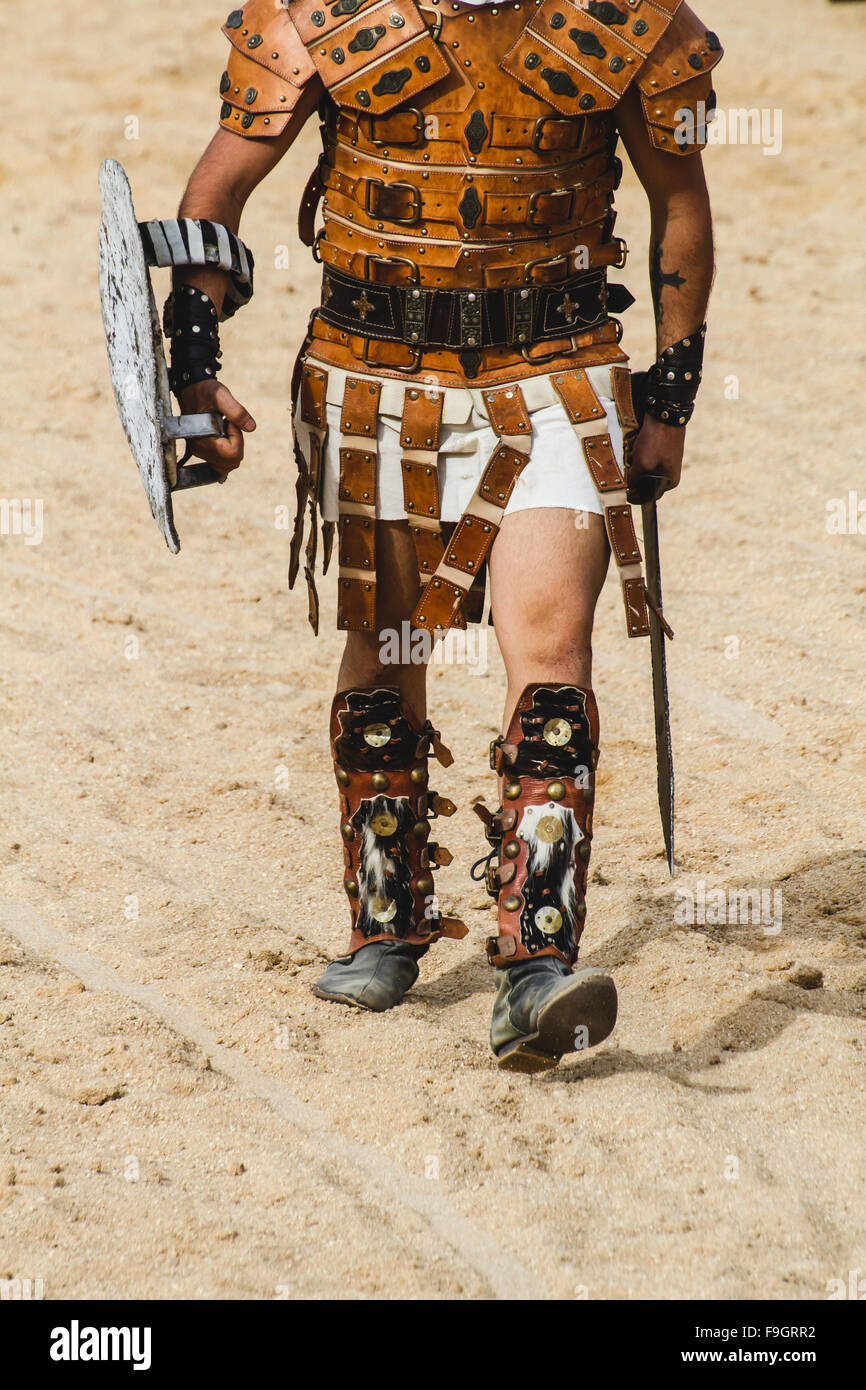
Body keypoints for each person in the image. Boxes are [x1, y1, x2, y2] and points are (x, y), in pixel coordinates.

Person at [167, 0, 722, 1072]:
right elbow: (215, 193)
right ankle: (387, 920)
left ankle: (535, 964)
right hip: (373, 375)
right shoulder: (326, 16)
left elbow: (679, 206)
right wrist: (193, 367)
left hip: (561, 368)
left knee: (552, 655)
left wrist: (671, 395)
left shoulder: (634, 23)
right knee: (389, 644)